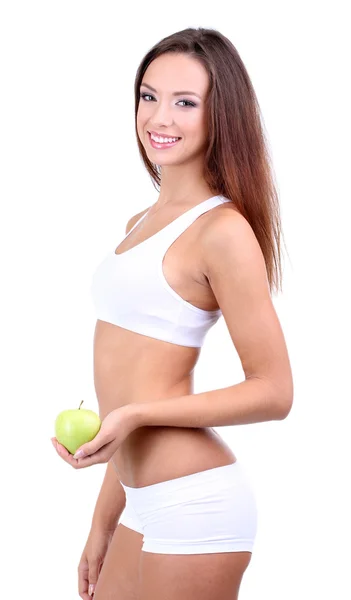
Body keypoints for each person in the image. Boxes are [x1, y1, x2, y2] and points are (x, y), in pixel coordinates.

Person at [51, 26, 293, 600]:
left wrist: (135, 416)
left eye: (185, 102)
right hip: (138, 501)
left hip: (196, 505)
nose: (159, 117)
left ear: (221, 116)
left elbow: (275, 391)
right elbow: (126, 394)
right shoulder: (139, 222)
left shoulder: (223, 231)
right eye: (148, 95)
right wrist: (101, 523)